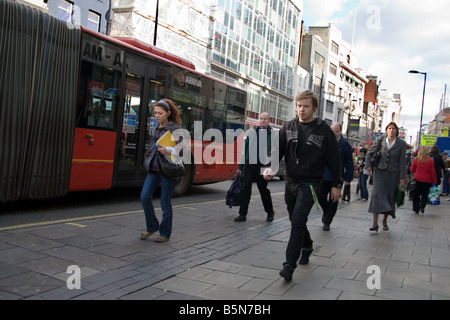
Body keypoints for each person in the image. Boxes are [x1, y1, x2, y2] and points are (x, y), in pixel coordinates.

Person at [263, 90, 341, 281]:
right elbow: (277, 151)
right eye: (299, 105)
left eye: (306, 106)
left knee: (298, 220)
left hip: (311, 183)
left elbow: (334, 160)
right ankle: (307, 245)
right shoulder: (289, 127)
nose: (301, 109)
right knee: (295, 220)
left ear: (314, 107)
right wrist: (270, 168)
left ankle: (289, 264)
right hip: (291, 182)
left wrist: (336, 185)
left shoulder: (324, 130)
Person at [140, 98, 186, 242]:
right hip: (154, 168)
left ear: (168, 113)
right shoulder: (156, 128)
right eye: (155, 113)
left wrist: (168, 149)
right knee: (144, 197)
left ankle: (165, 233)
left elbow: (183, 150)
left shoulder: (175, 129)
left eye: (160, 113)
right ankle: (152, 226)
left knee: (165, 202)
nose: (157, 116)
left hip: (168, 169)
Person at [234, 112, 275, 222]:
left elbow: (276, 152)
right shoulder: (252, 133)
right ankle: (242, 214)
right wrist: (240, 166)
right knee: (245, 189)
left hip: (263, 166)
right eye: (261, 118)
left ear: (269, 120)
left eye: (265, 119)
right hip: (250, 166)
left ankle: (270, 211)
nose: (263, 120)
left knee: (263, 190)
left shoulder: (272, 134)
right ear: (259, 120)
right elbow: (245, 150)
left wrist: (271, 168)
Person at [366, 122, 406, 232]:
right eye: (389, 128)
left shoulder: (401, 144)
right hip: (379, 171)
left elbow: (402, 162)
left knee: (389, 198)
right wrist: (368, 165)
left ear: (397, 131)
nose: (391, 130)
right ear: (386, 130)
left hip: (393, 174)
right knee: (376, 195)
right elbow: (369, 153)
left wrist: (402, 178)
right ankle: (375, 223)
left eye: (393, 128)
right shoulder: (380, 140)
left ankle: (384, 221)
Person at [318, 122, 353, 231]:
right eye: (332, 131)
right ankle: (327, 212)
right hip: (323, 176)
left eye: (336, 131)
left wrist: (348, 179)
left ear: (340, 132)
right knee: (321, 196)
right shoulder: (324, 142)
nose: (333, 133)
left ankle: (327, 222)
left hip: (337, 177)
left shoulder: (345, 145)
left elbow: (349, 163)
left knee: (333, 199)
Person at [410, 146, 437, 214]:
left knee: (416, 195)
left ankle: (416, 208)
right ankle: (422, 205)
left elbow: (412, 169)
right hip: (427, 180)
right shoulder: (430, 160)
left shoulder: (415, 159)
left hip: (417, 179)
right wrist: (434, 181)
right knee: (425, 194)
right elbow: (432, 172)